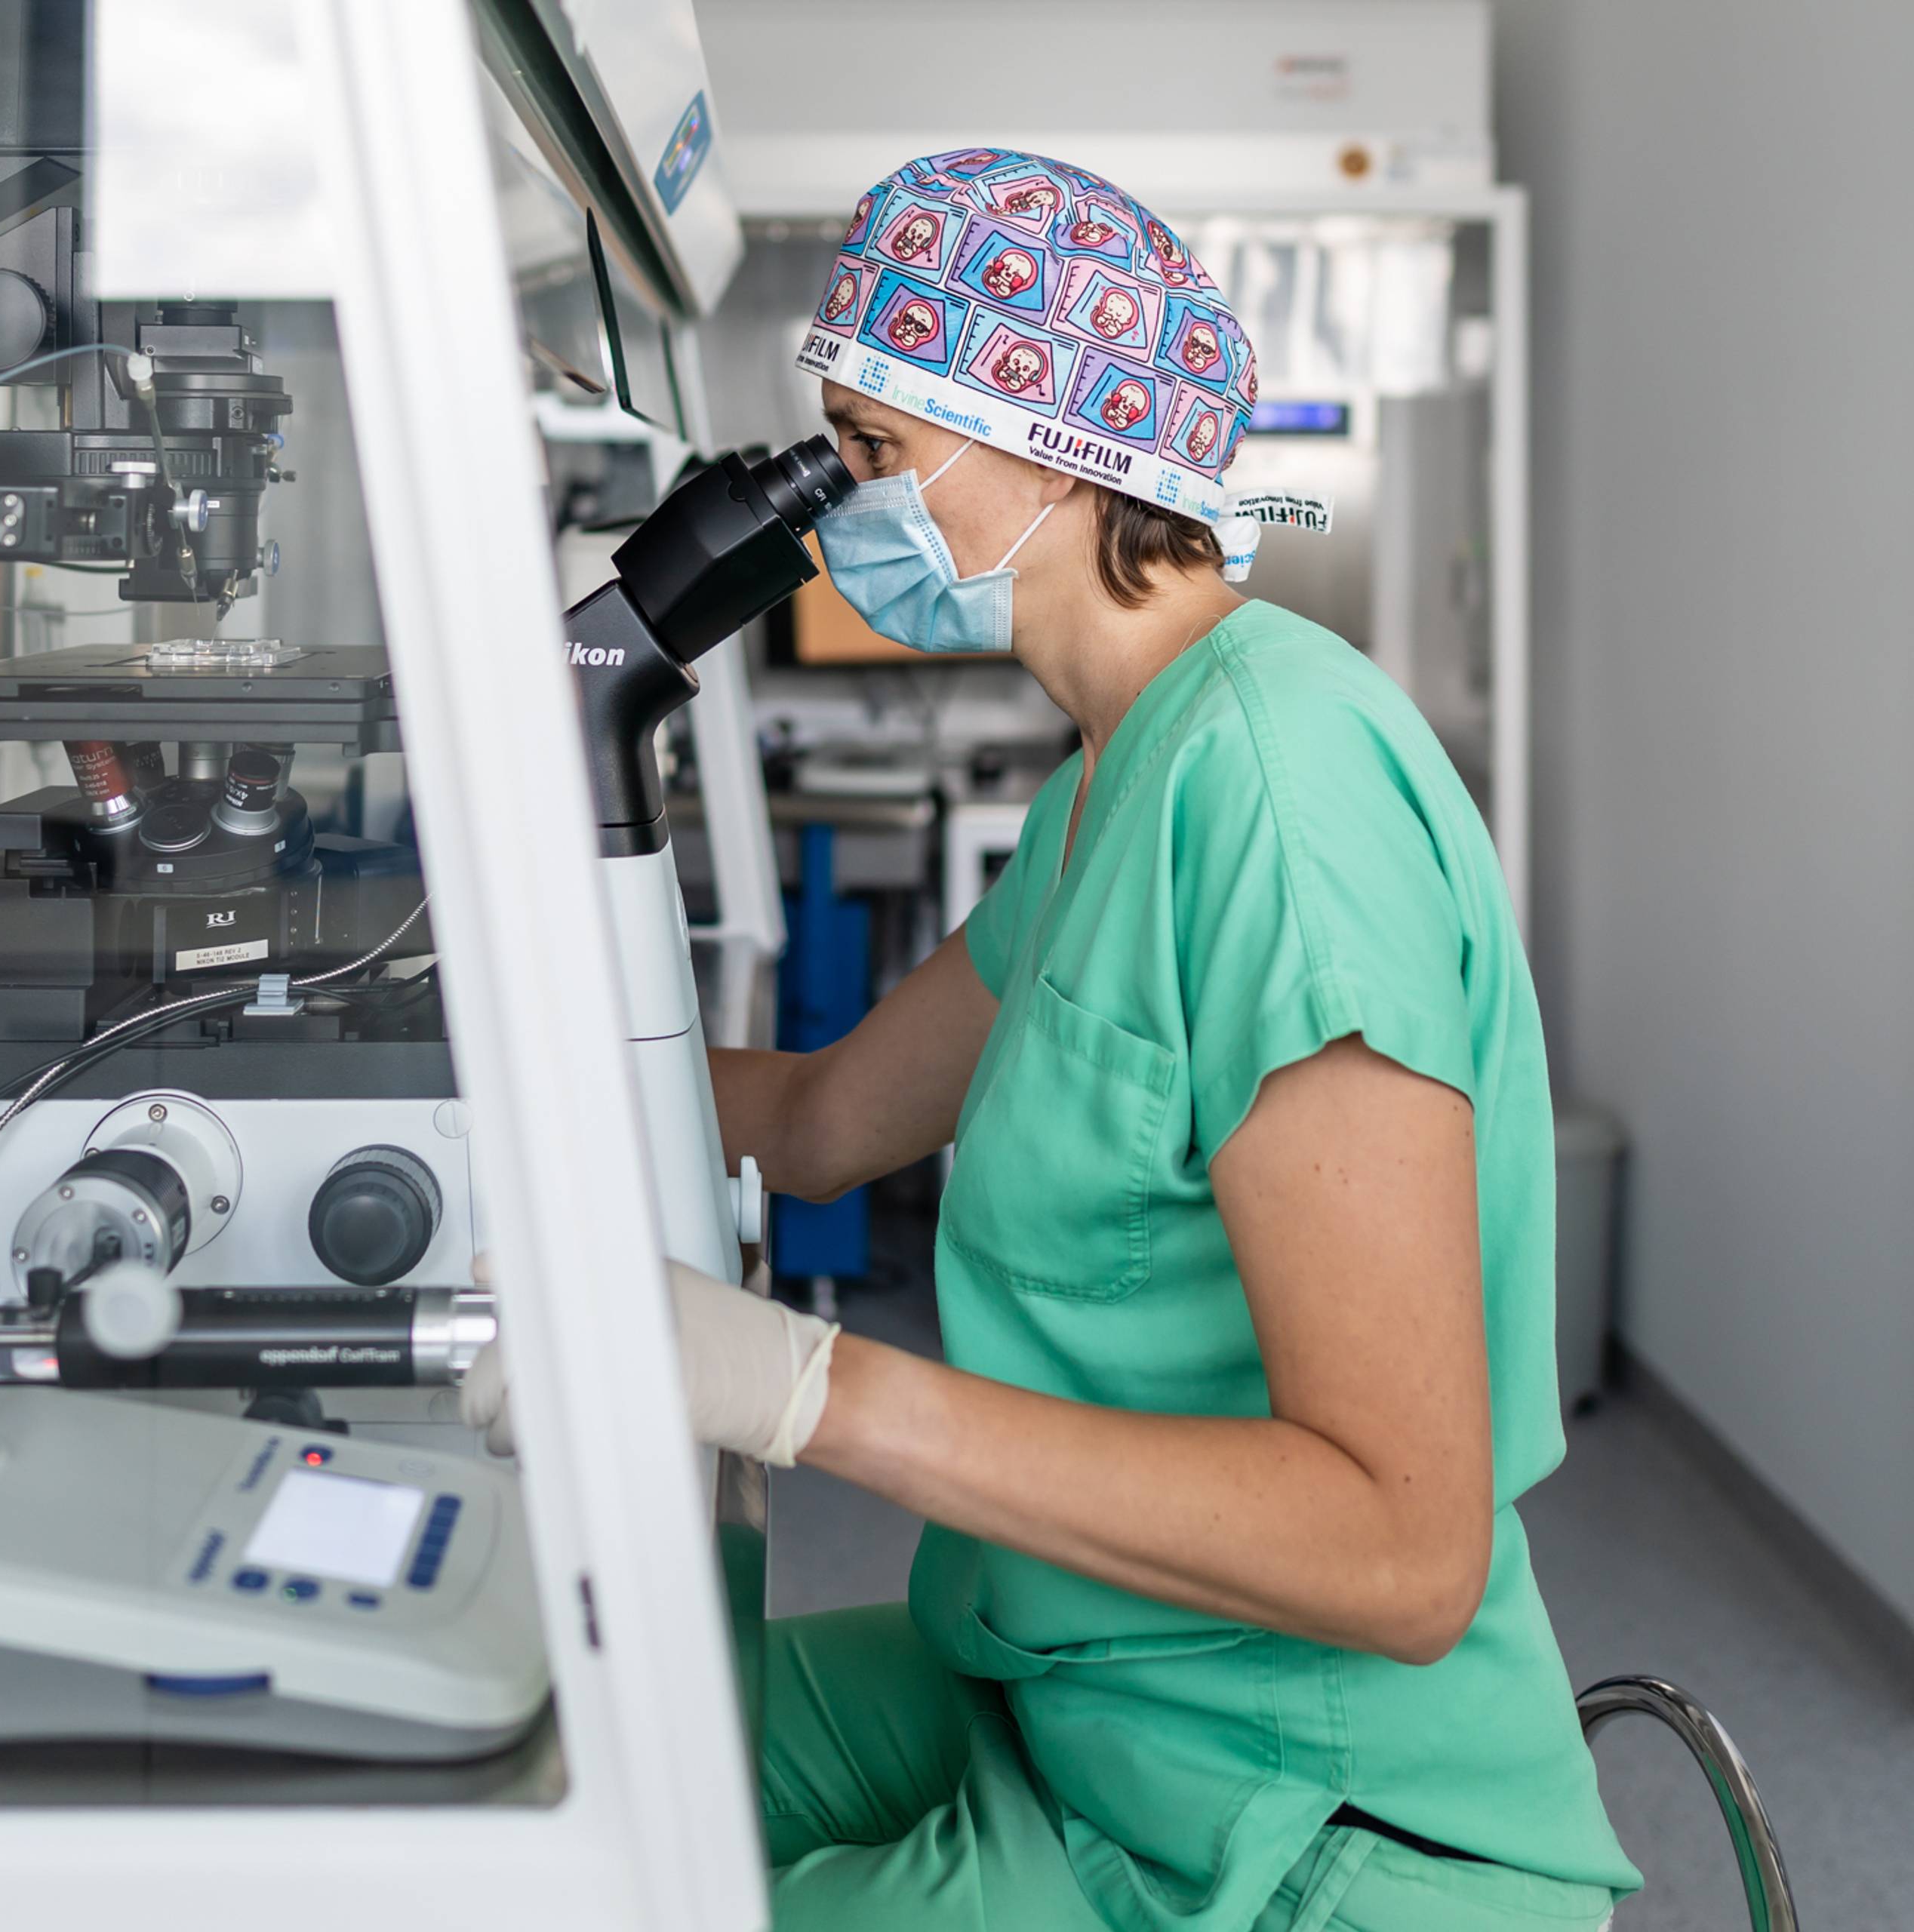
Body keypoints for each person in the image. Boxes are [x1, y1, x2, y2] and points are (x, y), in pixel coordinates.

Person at [472, 146, 1639, 1931]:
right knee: (556, 1765)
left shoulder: (1281, 795)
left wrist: (805, 1389)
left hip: (1288, 1814)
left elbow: (1403, 1549)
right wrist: (459, 1089)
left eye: (870, 452)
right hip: (1066, 1681)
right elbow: (822, 1117)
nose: (840, 509)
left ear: (1051, 445)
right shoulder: (1119, 776)